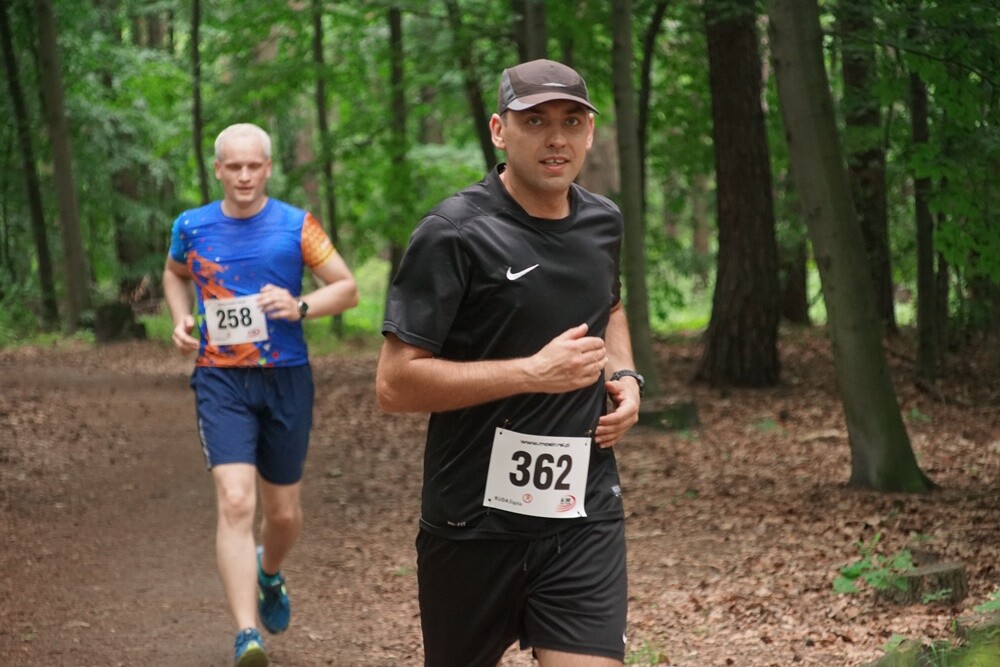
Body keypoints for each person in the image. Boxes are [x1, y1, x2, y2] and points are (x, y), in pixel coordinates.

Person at [376, 60, 643, 667]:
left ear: (590, 133)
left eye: (571, 122)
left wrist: (625, 376)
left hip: (582, 513)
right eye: (536, 121)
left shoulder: (603, 222)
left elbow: (609, 305)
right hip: (471, 521)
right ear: (500, 130)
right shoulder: (452, 232)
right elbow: (394, 384)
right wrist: (531, 373)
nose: (556, 139)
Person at [162, 122, 359, 667]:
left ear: (268, 168)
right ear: (218, 170)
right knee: (235, 500)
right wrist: (180, 318)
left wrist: (299, 306)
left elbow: (346, 288)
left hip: (285, 378)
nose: (244, 176)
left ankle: (268, 571)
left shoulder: (297, 226)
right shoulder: (191, 226)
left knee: (284, 514)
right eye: (234, 166)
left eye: (254, 166)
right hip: (220, 379)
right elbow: (174, 275)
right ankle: (247, 634)